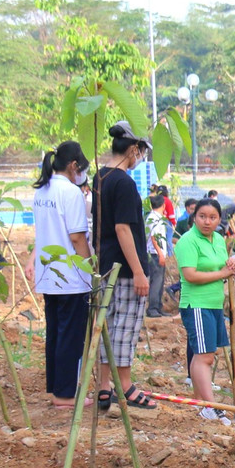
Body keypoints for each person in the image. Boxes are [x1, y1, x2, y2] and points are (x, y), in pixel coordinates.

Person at [92, 122, 157, 412]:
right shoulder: (125, 183)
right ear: (133, 149)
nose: (139, 159)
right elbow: (123, 229)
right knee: (125, 327)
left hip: (106, 265)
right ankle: (126, 385)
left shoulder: (99, 177)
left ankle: (104, 387)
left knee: (107, 324)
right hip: (125, 269)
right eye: (140, 153)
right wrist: (140, 271)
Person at [31, 142, 93, 408]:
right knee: (71, 335)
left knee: (56, 332)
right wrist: (90, 267)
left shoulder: (41, 190)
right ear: (73, 166)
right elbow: (77, 237)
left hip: (49, 272)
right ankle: (66, 394)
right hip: (70, 276)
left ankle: (58, 388)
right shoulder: (70, 192)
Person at [175, 198, 235, 422]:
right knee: (205, 357)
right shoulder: (188, 241)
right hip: (196, 304)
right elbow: (190, 275)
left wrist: (230, 266)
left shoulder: (219, 240)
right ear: (194, 217)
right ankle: (210, 406)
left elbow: (221, 267)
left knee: (203, 355)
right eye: (202, 216)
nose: (207, 221)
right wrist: (222, 274)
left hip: (213, 304)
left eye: (212, 217)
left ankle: (198, 402)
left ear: (219, 220)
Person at [143, 193, 171, 318]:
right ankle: (153, 308)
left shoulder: (155, 217)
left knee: (159, 281)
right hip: (154, 254)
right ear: (163, 205)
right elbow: (154, 238)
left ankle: (158, 307)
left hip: (156, 253)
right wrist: (160, 254)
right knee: (156, 281)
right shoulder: (154, 219)